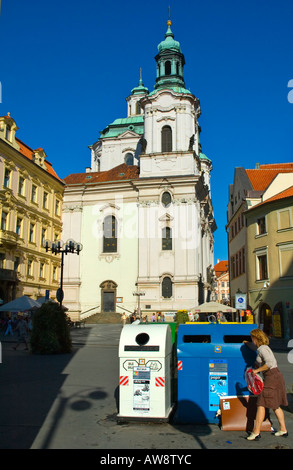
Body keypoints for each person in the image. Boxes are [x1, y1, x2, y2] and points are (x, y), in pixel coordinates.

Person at [244, 328, 288, 441]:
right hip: (275, 376)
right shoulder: (263, 347)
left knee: (261, 404)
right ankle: (283, 429)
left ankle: (256, 432)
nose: (251, 339)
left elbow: (269, 363)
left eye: (251, 338)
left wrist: (256, 371)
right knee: (275, 405)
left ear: (256, 338)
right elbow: (254, 348)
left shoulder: (262, 349)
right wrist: (246, 343)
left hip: (271, 377)